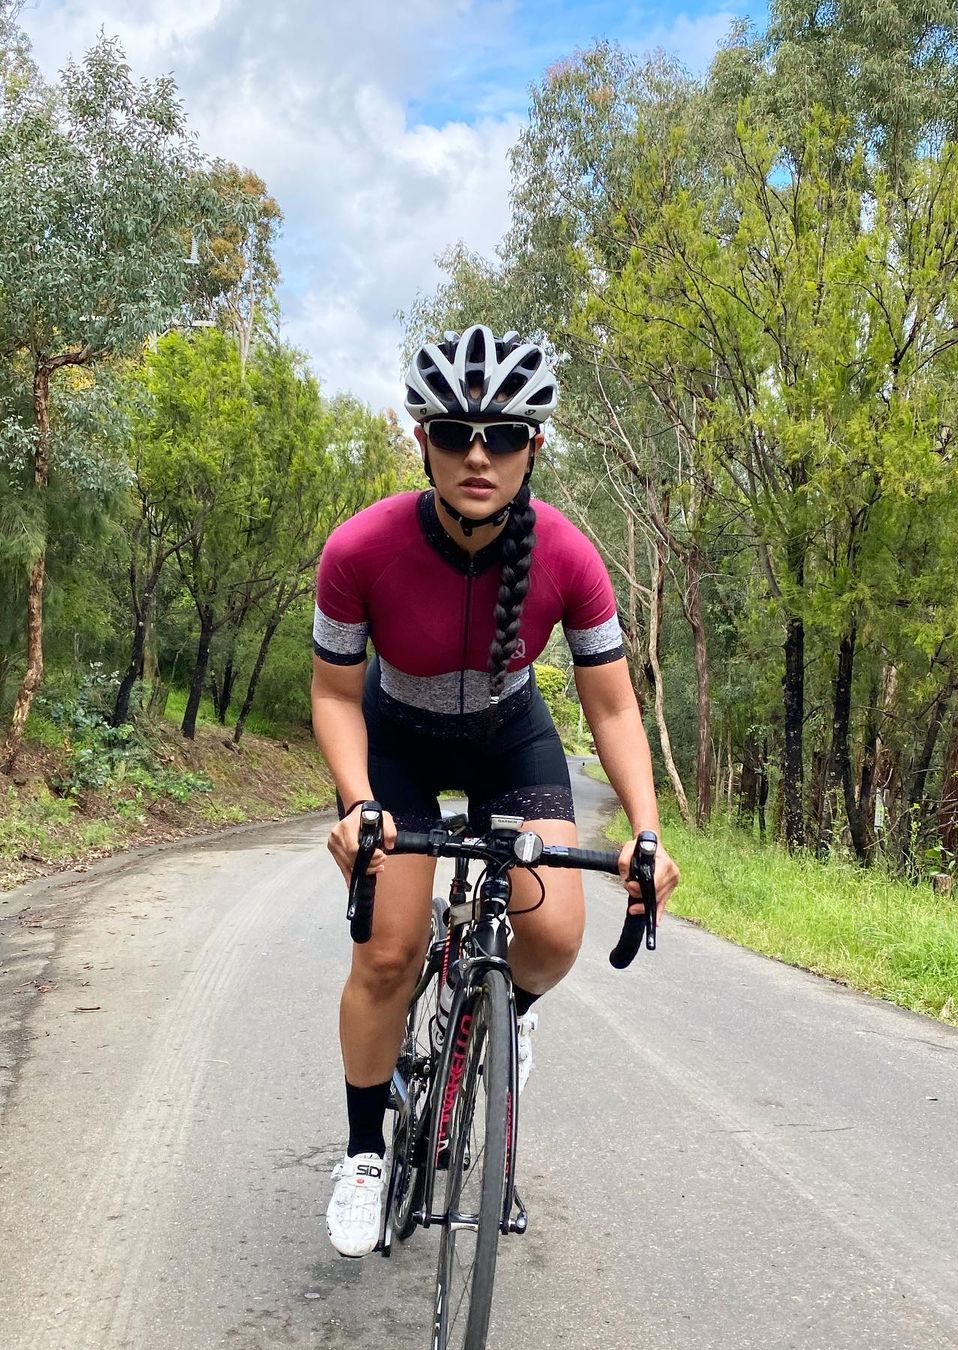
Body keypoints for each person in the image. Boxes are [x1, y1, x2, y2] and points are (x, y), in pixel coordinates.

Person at [310, 324, 680, 1258]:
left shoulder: (569, 556)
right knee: (388, 955)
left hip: (511, 741)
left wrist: (645, 831)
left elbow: (612, 707)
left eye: (504, 435)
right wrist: (357, 803)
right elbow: (334, 695)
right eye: (456, 433)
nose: (480, 455)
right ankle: (363, 1155)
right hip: (397, 740)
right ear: (424, 440)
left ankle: (506, 1009)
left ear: (533, 446)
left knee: (553, 933)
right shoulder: (359, 548)